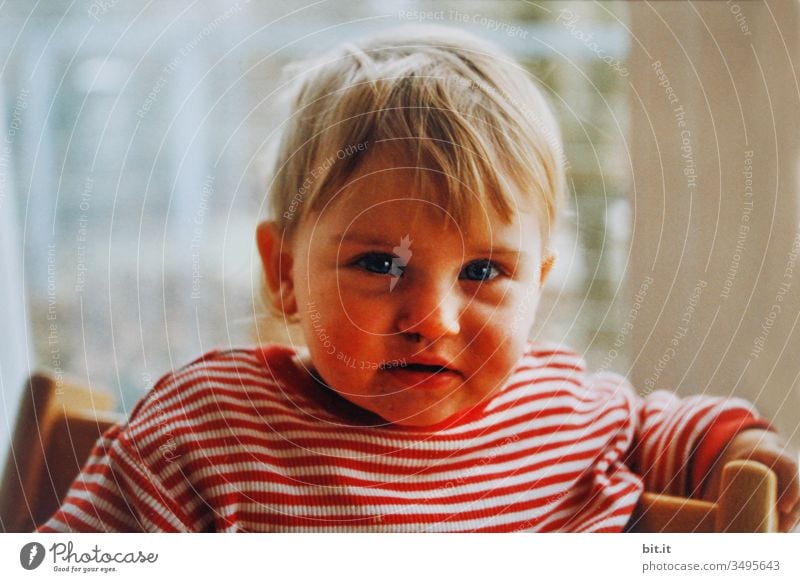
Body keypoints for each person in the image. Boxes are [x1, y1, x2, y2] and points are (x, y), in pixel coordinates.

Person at [40, 25, 799, 533]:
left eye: (483, 270)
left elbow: (654, 428)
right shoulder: (204, 434)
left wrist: (741, 445)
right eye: (379, 264)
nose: (431, 316)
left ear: (540, 283)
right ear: (284, 274)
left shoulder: (560, 412)